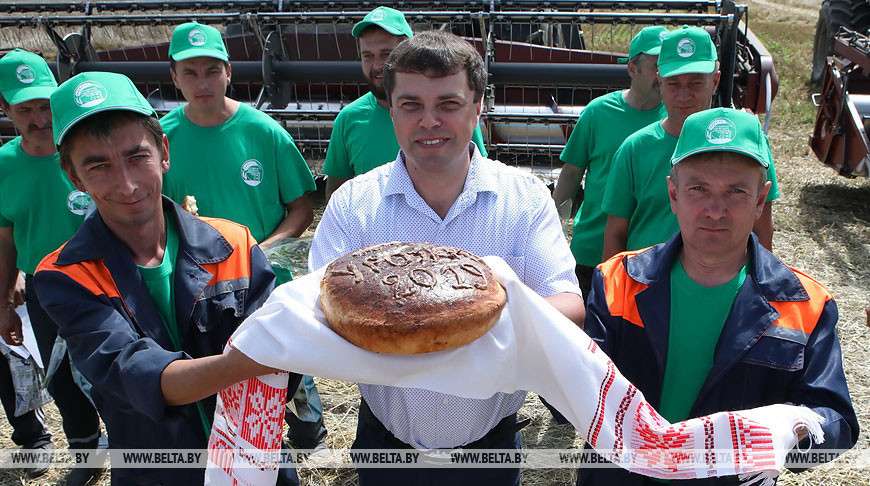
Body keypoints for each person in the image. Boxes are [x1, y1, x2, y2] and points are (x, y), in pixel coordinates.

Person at [309, 30, 585, 485]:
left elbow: (568, 305)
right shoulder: (353, 203)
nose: (429, 121)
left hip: (488, 449)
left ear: (478, 107)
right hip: (387, 446)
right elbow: (320, 311)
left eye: (449, 105)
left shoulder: (524, 198)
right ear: (391, 109)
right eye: (412, 104)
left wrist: (449, 327)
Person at [32, 71, 301, 485]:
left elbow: (288, 359)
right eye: (99, 166)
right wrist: (254, 360)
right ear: (74, 177)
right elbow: (137, 374)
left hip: (256, 462)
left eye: (137, 157)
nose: (127, 184)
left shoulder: (234, 243)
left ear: (164, 152)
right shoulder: (65, 276)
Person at [581, 108, 859, 485]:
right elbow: (579, 391)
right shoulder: (617, 281)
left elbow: (837, 423)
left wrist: (794, 428)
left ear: (761, 201)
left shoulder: (804, 305)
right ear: (673, 194)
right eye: (698, 189)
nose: (715, 209)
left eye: (736, 192)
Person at [159, 21, 326, 452]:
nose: (202, 83)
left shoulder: (262, 131)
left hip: (263, 277)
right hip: (197, 285)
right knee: (220, 361)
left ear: (229, 72)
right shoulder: (162, 141)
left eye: (211, 70)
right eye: (190, 73)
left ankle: (309, 428)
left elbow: (301, 205)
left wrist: (261, 250)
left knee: (289, 358)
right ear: (174, 77)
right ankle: (239, 438)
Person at [0, 49, 104, 485]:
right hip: (44, 287)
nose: (40, 118)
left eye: (45, 105)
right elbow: (5, 236)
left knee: (115, 370)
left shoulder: (86, 150)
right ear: (6, 110)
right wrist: (5, 299)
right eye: (26, 109)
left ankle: (142, 449)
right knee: (60, 376)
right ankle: (86, 450)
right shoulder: (4, 165)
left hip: (102, 278)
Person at [601, 26, 779, 262]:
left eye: (696, 83)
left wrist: (762, 287)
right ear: (660, 81)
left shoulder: (749, 147)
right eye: (674, 84)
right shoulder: (635, 149)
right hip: (646, 284)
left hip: (723, 286)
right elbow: (616, 233)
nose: (684, 95)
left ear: (715, 80)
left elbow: (763, 229)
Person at [322, 6, 488, 201]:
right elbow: (336, 193)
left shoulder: (455, 115)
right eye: (368, 56)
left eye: (386, 54)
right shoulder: (349, 118)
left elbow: (477, 176)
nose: (377, 65)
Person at [552, 26, 669, 299]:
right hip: (593, 247)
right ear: (632, 69)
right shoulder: (598, 113)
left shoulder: (678, 120)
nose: (663, 75)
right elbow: (571, 173)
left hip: (650, 253)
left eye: (668, 66)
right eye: (656, 66)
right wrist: (553, 225)